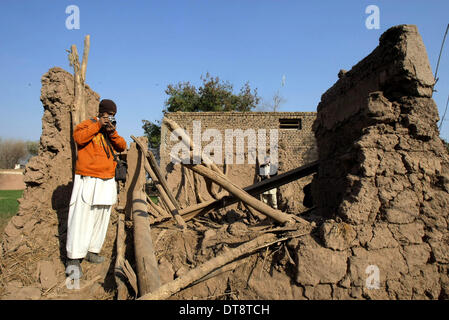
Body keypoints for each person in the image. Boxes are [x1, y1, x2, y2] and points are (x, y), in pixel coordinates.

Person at [65, 99, 127, 280]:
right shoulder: (87, 125)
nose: (111, 118)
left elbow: (122, 146)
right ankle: (73, 259)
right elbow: (79, 138)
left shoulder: (109, 130)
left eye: (113, 115)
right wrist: (99, 125)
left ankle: (92, 250)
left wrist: (111, 131)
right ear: (101, 113)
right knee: (81, 217)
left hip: (107, 179)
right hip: (88, 177)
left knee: (101, 215)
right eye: (108, 114)